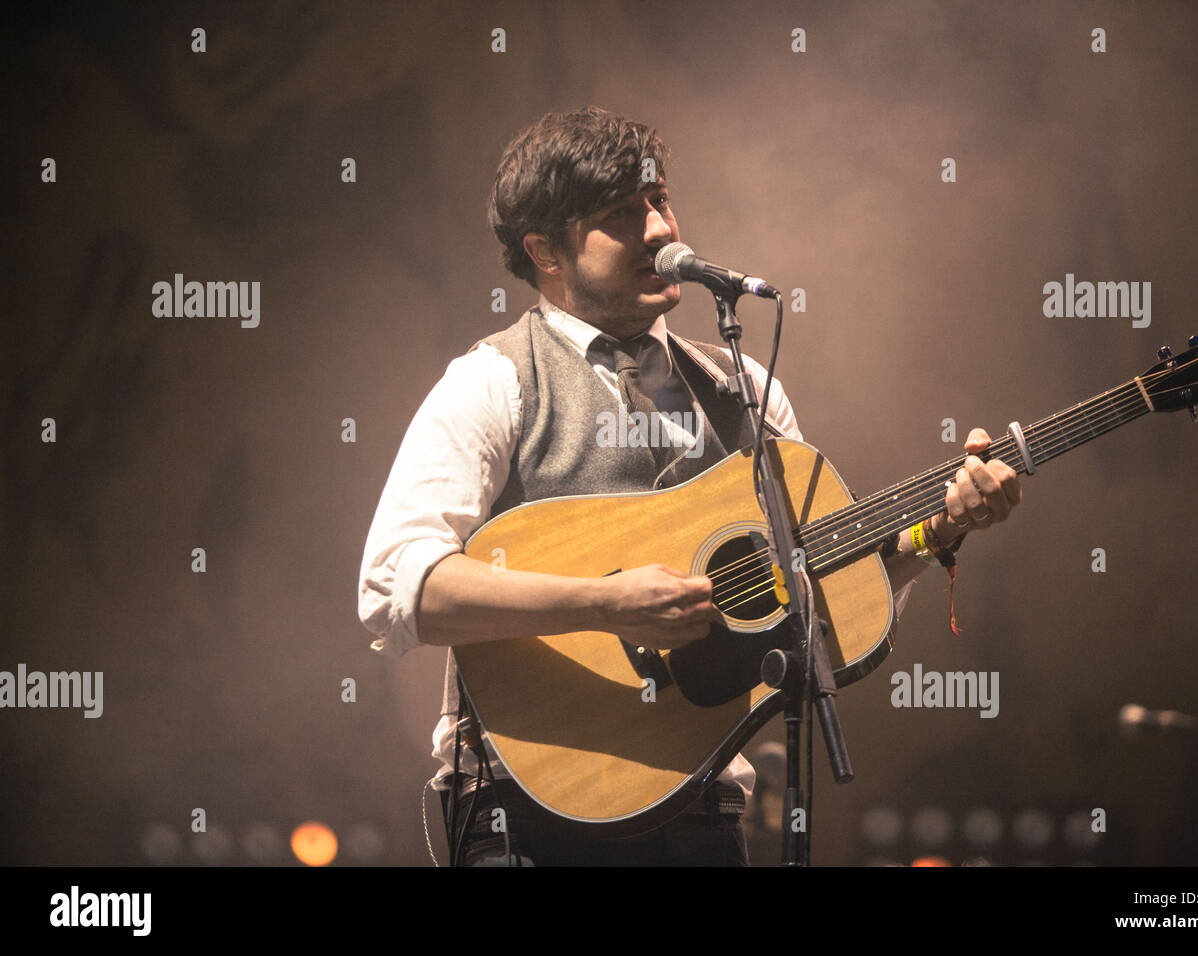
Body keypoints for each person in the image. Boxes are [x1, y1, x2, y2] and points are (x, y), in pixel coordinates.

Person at [357, 106, 1022, 866]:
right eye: (619, 216)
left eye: (659, 199)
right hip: (527, 811)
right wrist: (603, 603)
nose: (658, 230)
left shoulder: (745, 393)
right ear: (545, 252)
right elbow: (394, 587)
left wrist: (932, 533)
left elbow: (821, 610)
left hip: (704, 810)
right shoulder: (494, 381)